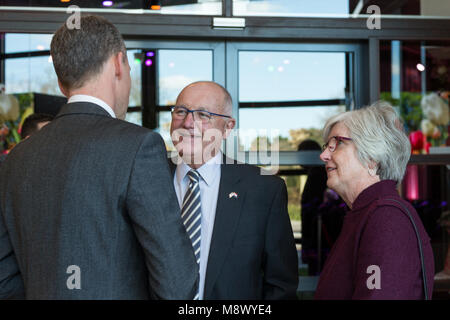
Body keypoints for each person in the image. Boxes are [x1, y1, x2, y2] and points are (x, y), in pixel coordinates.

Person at [0, 15, 198, 299]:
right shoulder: (139, 146)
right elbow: (176, 284)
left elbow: (5, 280)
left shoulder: (16, 158)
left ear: (60, 82)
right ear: (118, 63)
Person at [169, 81, 299, 300]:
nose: (189, 122)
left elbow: (280, 286)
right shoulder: (145, 180)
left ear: (227, 128)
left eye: (203, 114)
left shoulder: (264, 189)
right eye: (181, 111)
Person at [314, 102, 434, 300]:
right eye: (327, 146)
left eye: (338, 143)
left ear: (372, 158)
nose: (324, 155)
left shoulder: (386, 218)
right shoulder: (368, 212)